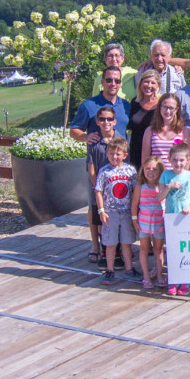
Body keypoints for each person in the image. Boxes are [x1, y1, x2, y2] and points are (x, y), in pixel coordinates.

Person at [95, 137, 140, 285]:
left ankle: (129, 268)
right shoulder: (104, 171)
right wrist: (101, 210)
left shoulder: (130, 170)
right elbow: (98, 191)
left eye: (118, 154)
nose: (114, 157)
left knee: (127, 242)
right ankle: (110, 269)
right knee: (110, 243)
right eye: (111, 153)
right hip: (111, 212)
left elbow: (136, 190)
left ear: (125, 155)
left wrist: (136, 209)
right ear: (107, 154)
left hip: (126, 211)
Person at [158, 143, 190, 296]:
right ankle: (173, 279)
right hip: (170, 218)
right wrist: (169, 187)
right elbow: (159, 197)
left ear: (187, 160)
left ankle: (186, 281)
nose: (178, 163)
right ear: (169, 159)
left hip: (186, 218)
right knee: (172, 249)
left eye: (181, 160)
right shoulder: (165, 175)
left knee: (186, 249)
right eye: (174, 160)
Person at [86, 106, 117, 269]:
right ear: (97, 122)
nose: (106, 122)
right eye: (102, 119)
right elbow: (91, 170)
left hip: (118, 189)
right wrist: (99, 188)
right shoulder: (93, 142)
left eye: (109, 119)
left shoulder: (120, 139)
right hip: (99, 188)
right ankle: (102, 249)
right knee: (100, 220)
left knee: (117, 218)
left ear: (115, 121)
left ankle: (116, 250)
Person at [70, 66, 130, 144]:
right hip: (98, 154)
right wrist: (86, 137)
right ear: (102, 82)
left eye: (117, 81)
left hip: (120, 155)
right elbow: (74, 130)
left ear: (120, 84)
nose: (113, 84)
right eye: (109, 80)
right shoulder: (88, 105)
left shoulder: (126, 106)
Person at [131, 156, 166, 290]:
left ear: (160, 171)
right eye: (147, 169)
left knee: (158, 249)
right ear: (143, 170)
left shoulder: (161, 186)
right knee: (144, 249)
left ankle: (159, 275)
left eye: (154, 169)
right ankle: (146, 275)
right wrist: (135, 222)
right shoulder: (141, 186)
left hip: (158, 222)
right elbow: (134, 204)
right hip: (143, 222)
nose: (150, 172)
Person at [141, 93, 190, 170]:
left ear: (177, 109)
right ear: (160, 107)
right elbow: (145, 160)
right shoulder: (150, 131)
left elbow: (188, 160)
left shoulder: (184, 132)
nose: (168, 111)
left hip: (176, 177)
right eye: (165, 107)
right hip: (156, 177)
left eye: (171, 108)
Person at [127, 70, 160, 167]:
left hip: (155, 150)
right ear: (140, 83)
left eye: (153, 83)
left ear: (158, 85)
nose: (149, 85)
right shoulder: (135, 102)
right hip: (136, 149)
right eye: (146, 82)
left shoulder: (162, 103)